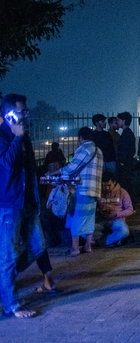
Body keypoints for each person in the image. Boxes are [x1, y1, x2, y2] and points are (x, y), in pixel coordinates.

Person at [0, 94, 54, 318]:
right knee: (9, 255)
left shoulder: (26, 137)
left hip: (28, 203)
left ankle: (6, 276)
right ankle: (11, 303)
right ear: (10, 114)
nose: (26, 114)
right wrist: (16, 138)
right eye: (22, 111)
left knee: (38, 246)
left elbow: (31, 170)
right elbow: (5, 164)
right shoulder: (5, 135)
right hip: (9, 205)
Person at [52, 126, 104, 256]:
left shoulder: (84, 149)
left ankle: (75, 248)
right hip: (95, 189)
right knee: (89, 218)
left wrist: (58, 172)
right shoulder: (99, 151)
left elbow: (72, 168)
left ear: (81, 138)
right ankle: (87, 246)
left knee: (77, 218)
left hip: (83, 188)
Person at [95, 171, 134, 246]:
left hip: (117, 221)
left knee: (124, 231)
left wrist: (116, 214)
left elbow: (130, 210)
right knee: (85, 232)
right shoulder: (98, 193)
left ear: (114, 182)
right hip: (101, 221)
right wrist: (100, 210)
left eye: (109, 185)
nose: (106, 188)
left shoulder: (122, 192)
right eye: (104, 185)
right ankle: (113, 240)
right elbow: (94, 210)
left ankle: (105, 241)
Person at [116, 112, 135, 194]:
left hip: (125, 164)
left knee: (124, 184)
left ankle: (127, 203)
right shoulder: (128, 132)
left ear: (123, 121)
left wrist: (122, 162)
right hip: (127, 163)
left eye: (118, 120)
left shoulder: (126, 134)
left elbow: (125, 149)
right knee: (127, 184)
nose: (117, 122)